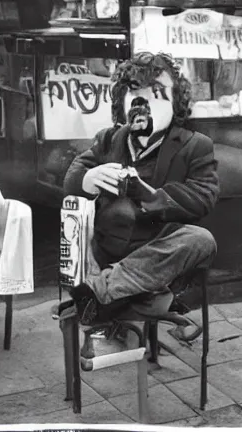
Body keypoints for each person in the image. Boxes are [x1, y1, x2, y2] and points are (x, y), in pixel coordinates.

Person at [63, 52, 220, 330]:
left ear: (175, 102)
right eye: (134, 93)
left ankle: (100, 293)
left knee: (202, 240)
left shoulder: (196, 145)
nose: (143, 102)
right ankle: (134, 298)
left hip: (156, 252)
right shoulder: (109, 139)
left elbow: (203, 198)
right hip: (108, 249)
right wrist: (89, 178)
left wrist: (148, 195)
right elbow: (72, 179)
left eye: (156, 93)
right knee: (144, 294)